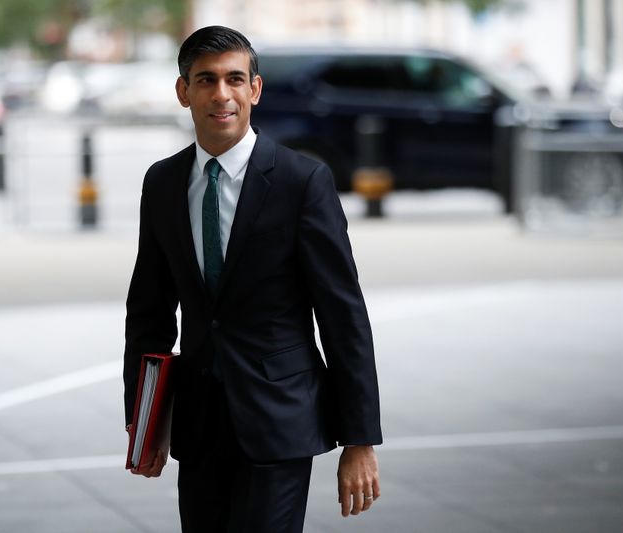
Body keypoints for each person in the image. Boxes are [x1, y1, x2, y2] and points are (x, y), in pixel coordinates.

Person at [123, 25, 382, 533]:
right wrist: (144, 423)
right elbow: (148, 313)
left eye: (235, 80)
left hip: (280, 421)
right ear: (184, 92)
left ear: (255, 90)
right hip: (198, 426)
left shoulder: (301, 181)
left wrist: (360, 440)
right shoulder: (162, 183)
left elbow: (343, 316)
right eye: (206, 80)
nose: (222, 94)